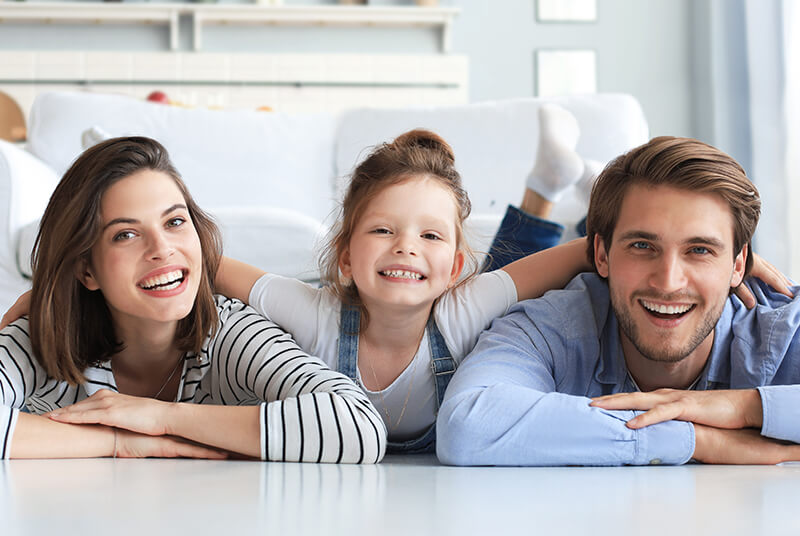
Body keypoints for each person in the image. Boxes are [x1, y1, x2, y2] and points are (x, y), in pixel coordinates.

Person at [210, 118, 786, 454]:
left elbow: (556, 262)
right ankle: (553, 191)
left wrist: (719, 260)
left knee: (517, 263)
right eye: (383, 230)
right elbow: (220, 268)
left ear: (458, 266)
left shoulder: (462, 310)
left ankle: (548, 187)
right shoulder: (313, 314)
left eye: (430, 237)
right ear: (342, 255)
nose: (406, 248)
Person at [0, 136, 385, 462]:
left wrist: (163, 418)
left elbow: (358, 425)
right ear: (86, 270)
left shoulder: (229, 330)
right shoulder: (39, 336)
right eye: (125, 235)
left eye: (174, 222)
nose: (162, 249)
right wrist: (120, 440)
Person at [436, 136, 800, 466]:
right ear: (601, 255)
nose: (668, 283)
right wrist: (687, 437)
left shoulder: (783, 332)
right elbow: (466, 423)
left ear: (738, 267)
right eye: (642, 246)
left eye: (700, 250)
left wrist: (745, 407)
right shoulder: (552, 325)